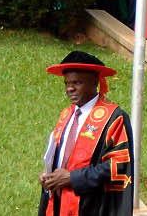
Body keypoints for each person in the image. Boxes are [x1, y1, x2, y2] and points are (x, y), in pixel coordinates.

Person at [38, 51, 133, 216]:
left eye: (77, 82)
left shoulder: (114, 117)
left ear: (95, 82)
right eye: (66, 83)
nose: (70, 88)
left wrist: (73, 178)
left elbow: (119, 166)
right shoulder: (66, 115)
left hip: (92, 206)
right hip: (59, 204)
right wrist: (49, 176)